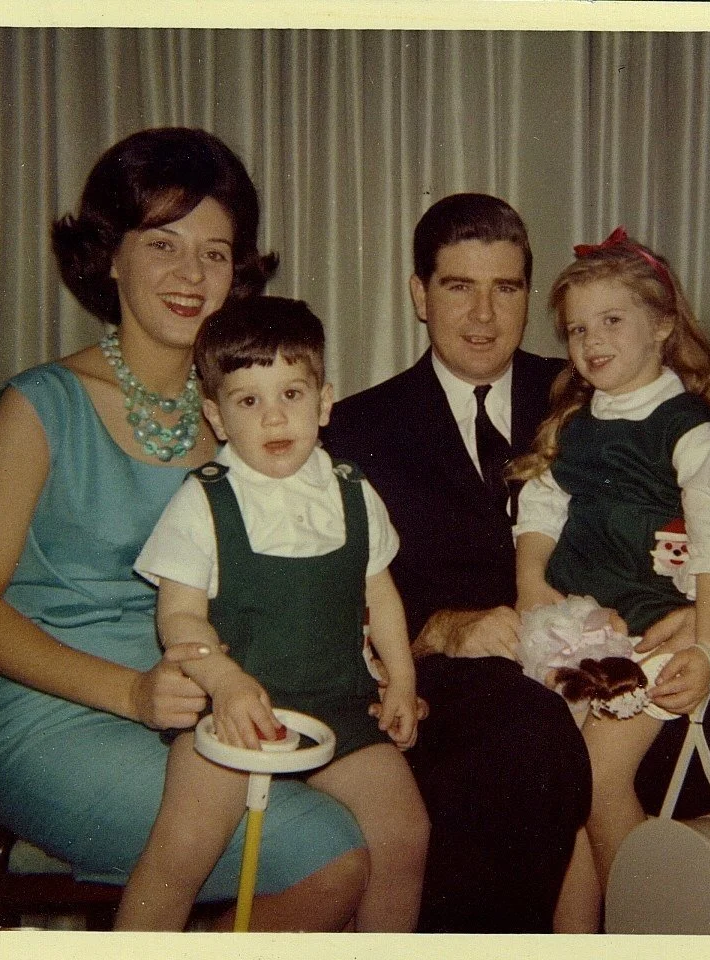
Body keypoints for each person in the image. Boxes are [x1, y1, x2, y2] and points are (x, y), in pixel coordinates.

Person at [323, 192, 710, 936]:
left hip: (643, 654)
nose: (484, 314)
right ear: (420, 296)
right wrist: (440, 632)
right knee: (533, 748)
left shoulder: (595, 385)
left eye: (506, 288)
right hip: (472, 692)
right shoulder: (356, 428)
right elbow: (332, 600)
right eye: (459, 287)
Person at [0, 128, 370, 931]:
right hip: (53, 716)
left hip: (208, 706)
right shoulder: (39, 406)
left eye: (215, 253)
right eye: (163, 244)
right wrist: (130, 692)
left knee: (395, 820)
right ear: (109, 257)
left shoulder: (244, 418)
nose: (192, 275)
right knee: (330, 854)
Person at [116, 296, 429, 931]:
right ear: (216, 416)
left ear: (324, 401)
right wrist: (224, 681)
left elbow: (381, 594)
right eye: (248, 401)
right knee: (182, 850)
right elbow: (179, 619)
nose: (275, 416)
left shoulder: (352, 490)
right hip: (234, 710)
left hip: (341, 703)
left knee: (405, 833)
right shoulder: (204, 501)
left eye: (291, 393)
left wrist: (401, 678)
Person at [510, 227, 710, 903]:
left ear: (663, 327)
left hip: (657, 634)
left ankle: (651, 924)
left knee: (599, 772)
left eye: (612, 321)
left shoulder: (691, 429)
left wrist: (708, 648)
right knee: (570, 795)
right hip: (587, 631)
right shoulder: (576, 424)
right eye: (577, 329)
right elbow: (539, 507)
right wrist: (531, 582)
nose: (592, 341)